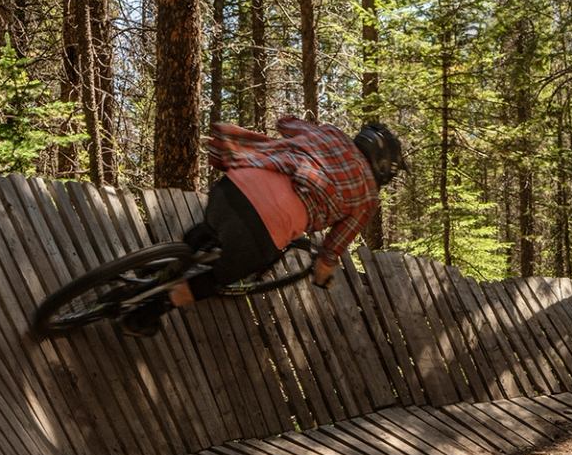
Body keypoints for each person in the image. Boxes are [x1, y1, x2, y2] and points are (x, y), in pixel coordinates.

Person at [124, 119, 406, 334]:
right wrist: (322, 278)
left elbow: (284, 122)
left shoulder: (331, 133)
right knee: (217, 277)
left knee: (208, 229)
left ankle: (157, 268)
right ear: (382, 165)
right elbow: (332, 251)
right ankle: (147, 313)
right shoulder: (367, 196)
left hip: (237, 181)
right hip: (265, 226)